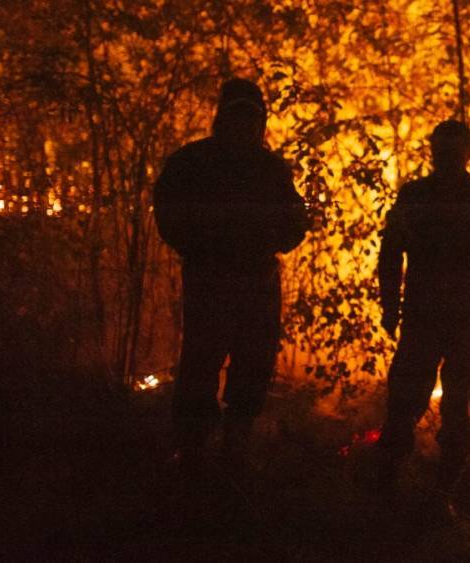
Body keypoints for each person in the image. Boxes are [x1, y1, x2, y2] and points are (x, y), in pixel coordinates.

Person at [154, 78, 310, 470]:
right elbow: (169, 215)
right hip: (212, 278)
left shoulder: (269, 168)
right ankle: (193, 448)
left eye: (251, 117)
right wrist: (201, 248)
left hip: (255, 279)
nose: (244, 125)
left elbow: (294, 220)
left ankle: (232, 448)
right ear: (222, 118)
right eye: (237, 115)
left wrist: (271, 242)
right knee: (202, 360)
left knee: (252, 362)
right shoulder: (192, 163)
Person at [375, 120, 470, 501]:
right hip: (448, 319)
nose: (449, 156)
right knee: (430, 403)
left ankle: (432, 490)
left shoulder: (429, 198)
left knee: (441, 405)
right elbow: (391, 256)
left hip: (445, 319)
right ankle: (428, 491)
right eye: (446, 149)